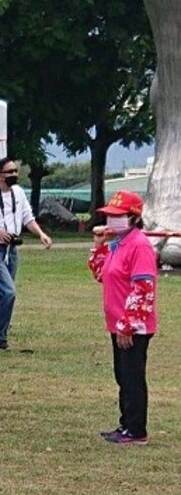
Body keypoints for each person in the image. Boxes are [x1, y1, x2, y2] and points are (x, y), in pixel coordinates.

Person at [89, 191, 158, 446]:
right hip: (118, 323)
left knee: (131, 377)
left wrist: (129, 325)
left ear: (134, 217)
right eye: (109, 215)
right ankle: (126, 423)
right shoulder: (119, 244)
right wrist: (99, 246)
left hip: (132, 325)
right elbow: (102, 274)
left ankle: (136, 430)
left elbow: (143, 289)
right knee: (123, 375)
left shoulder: (139, 246)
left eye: (118, 216)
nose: (111, 220)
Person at [0, 157, 54, 350]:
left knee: (1, 295)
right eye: (10, 172)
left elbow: (27, 217)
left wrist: (41, 234)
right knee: (8, 292)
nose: (14, 175)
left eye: (15, 171)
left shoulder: (19, 192)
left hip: (11, 250)